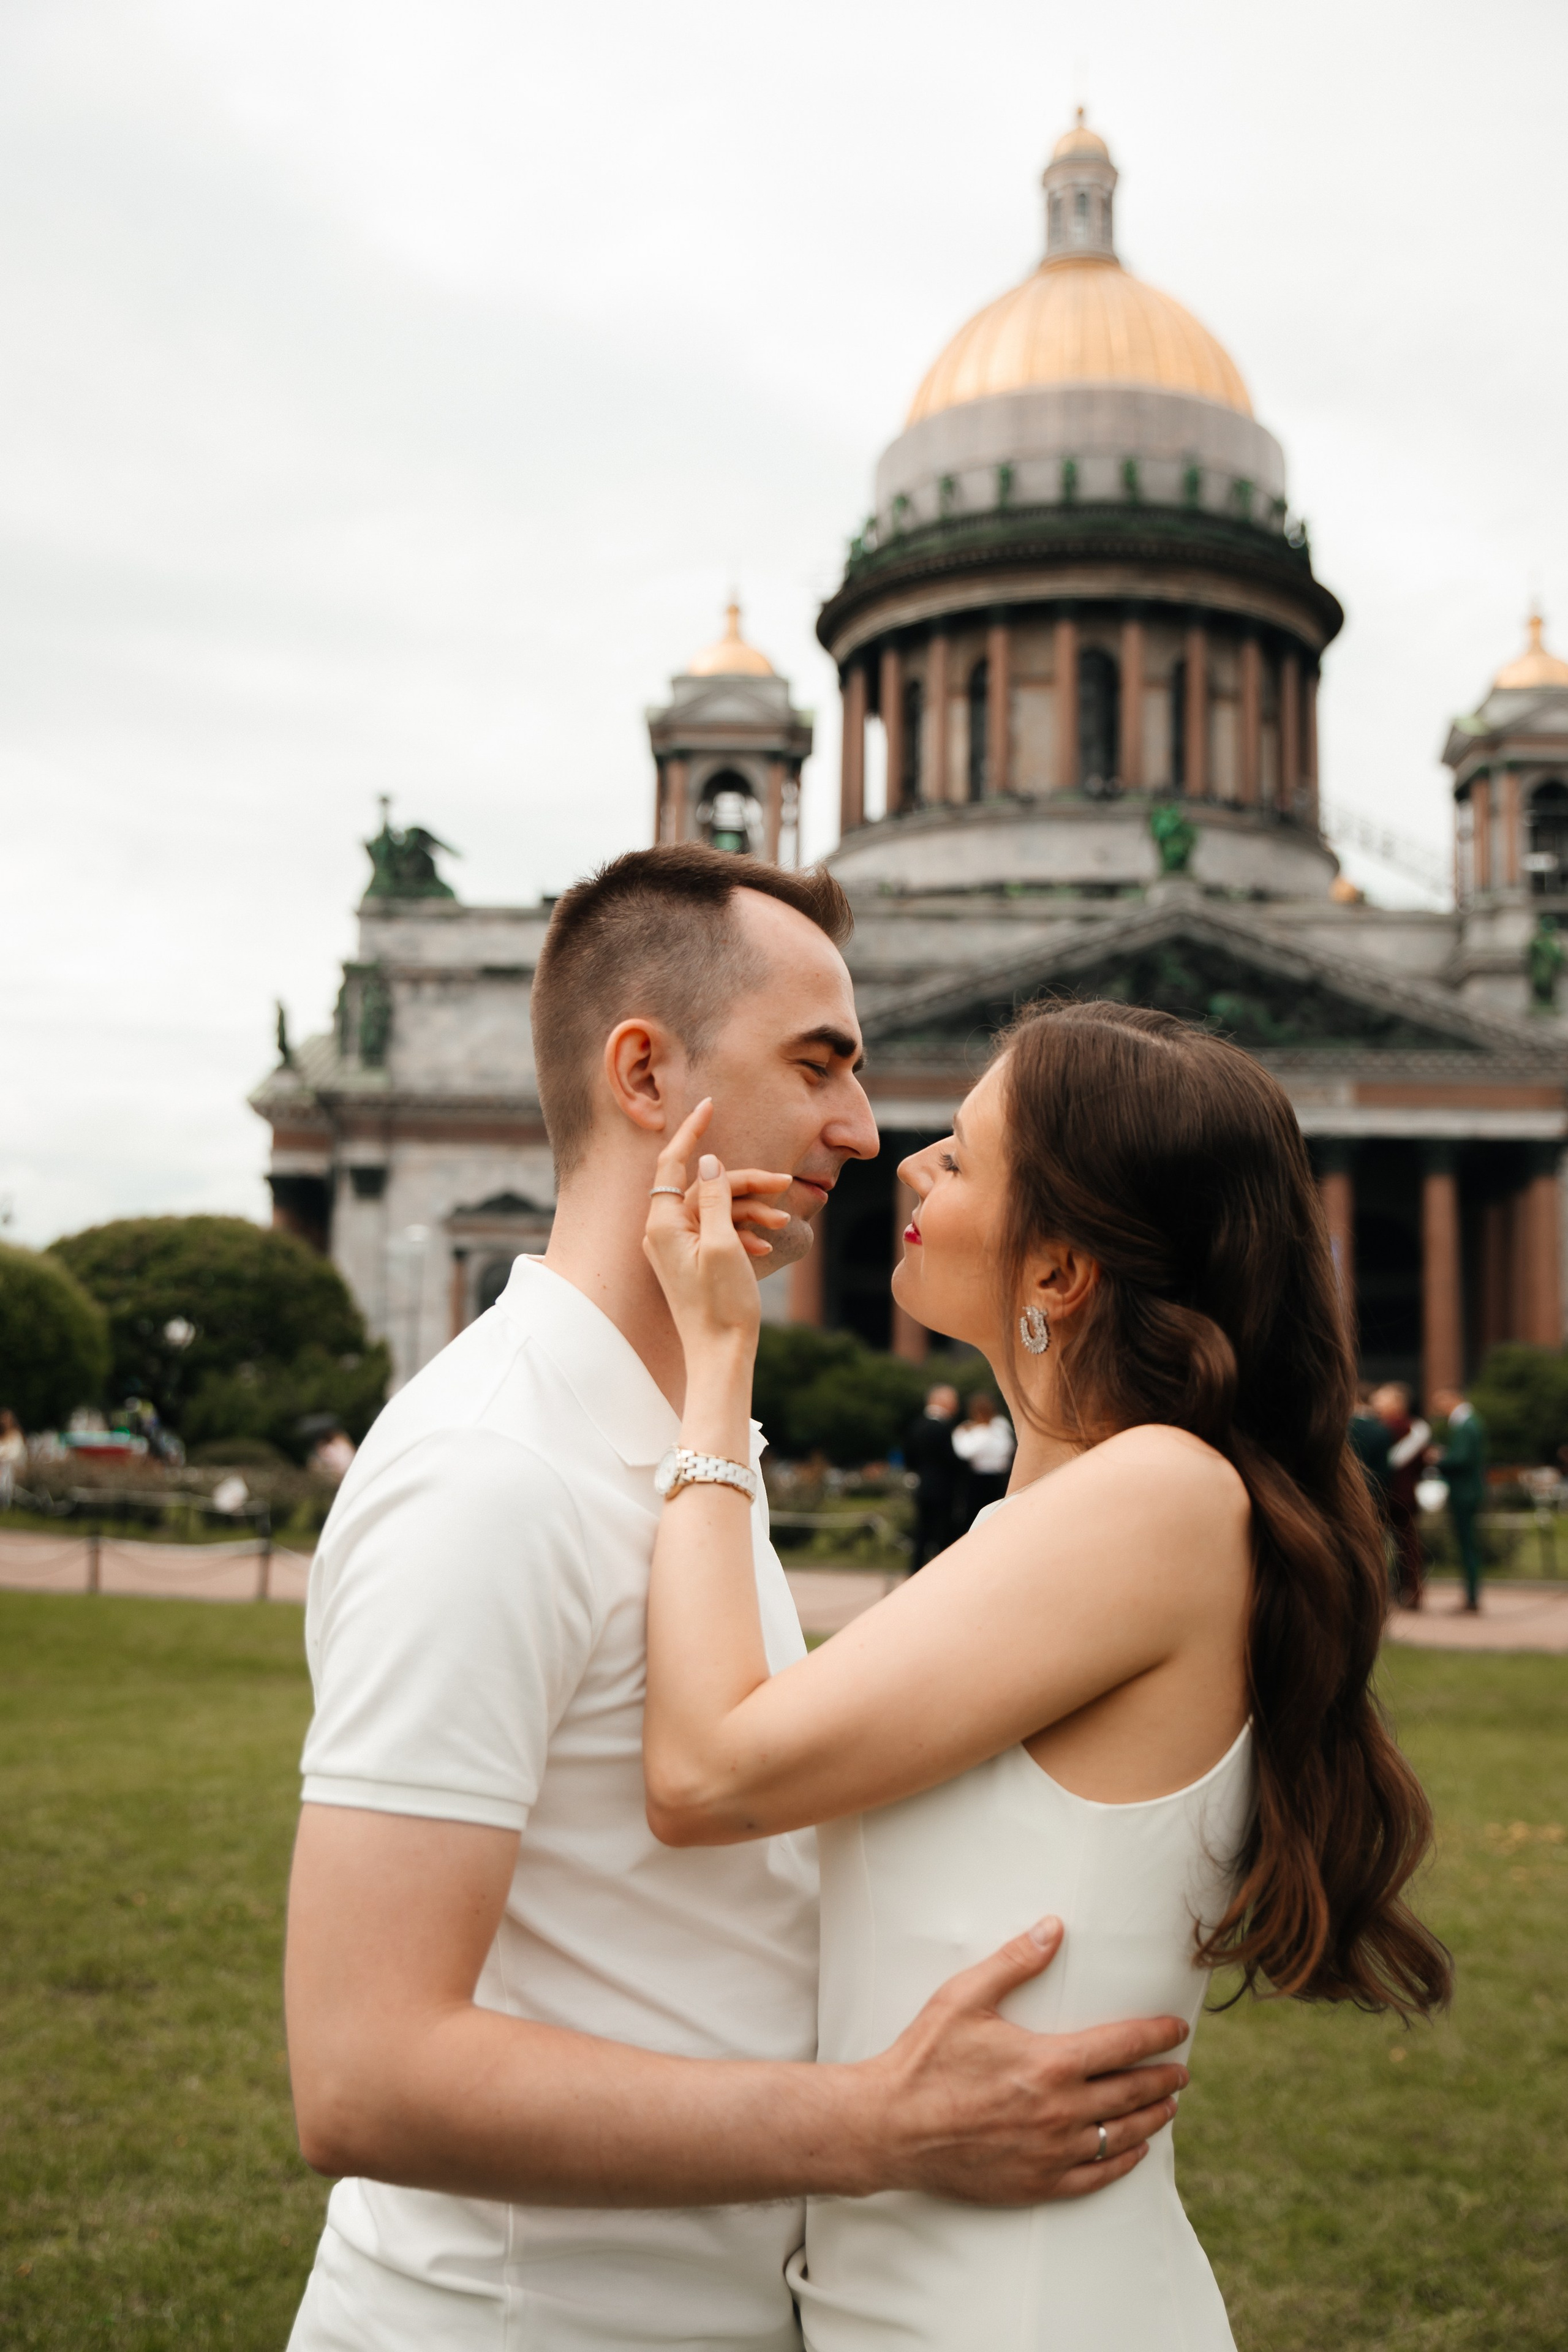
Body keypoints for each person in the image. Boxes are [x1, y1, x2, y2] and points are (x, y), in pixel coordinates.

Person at [282, 851, 1194, 2352]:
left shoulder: (685, 1436)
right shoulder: (487, 1471)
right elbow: (363, 2074)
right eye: (816, 1065)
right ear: (645, 1074)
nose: (863, 1128)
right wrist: (879, 2124)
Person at [640, 997, 1451, 2352]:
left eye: (960, 1156)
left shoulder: (1157, 1496)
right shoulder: (1079, 1515)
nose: (909, 1166)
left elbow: (705, 1773)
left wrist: (715, 1359)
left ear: (1061, 1272)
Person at [1373, 1382, 1430, 1609]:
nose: (1377, 1404)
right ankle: (1411, 1591)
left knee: (1382, 1545)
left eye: (1382, 1400)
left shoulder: (1388, 1429)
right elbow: (1422, 1464)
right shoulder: (1416, 1429)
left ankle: (1388, 1592)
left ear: (1397, 1404)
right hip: (1405, 1495)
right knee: (1409, 1547)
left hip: (1387, 1495)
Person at [1431, 1385, 1487, 1611]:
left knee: (1467, 1545)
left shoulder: (1466, 1424)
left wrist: (1438, 1460)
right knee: (1467, 1544)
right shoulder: (1468, 1422)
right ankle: (1470, 1596)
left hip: (1465, 1492)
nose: (1439, 1408)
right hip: (1468, 1490)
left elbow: (1460, 1459)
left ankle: (1472, 1597)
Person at [901, 1381, 959, 1567]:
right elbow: (951, 1459)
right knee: (943, 1533)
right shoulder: (944, 1427)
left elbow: (908, 1458)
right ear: (943, 1402)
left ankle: (916, 1570)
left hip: (923, 1486)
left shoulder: (915, 1425)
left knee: (922, 1532)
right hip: (943, 1487)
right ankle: (942, 1570)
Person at [951, 1389, 1016, 1528]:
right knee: (977, 1515)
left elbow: (1007, 1448)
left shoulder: (998, 1426)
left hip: (998, 1477)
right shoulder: (970, 1428)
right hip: (980, 1478)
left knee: (997, 1514)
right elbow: (964, 1452)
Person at [0, 1407, 25, 1506]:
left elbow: (16, 1454)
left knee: (5, 1469)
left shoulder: (16, 1436)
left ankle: (4, 1499)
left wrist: (3, 1458)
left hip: (12, 1466)